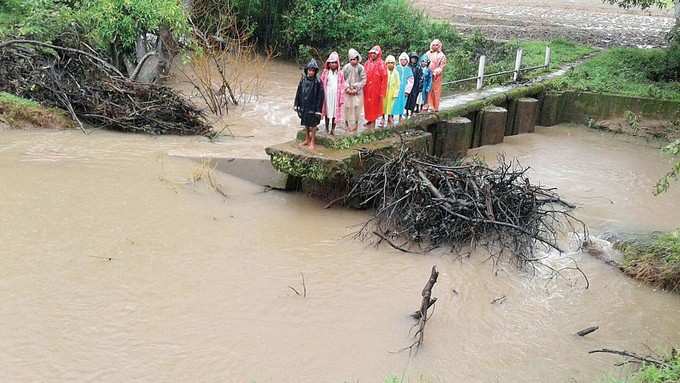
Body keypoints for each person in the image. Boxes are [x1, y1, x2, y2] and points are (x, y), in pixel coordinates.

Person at [294, 59, 324, 151]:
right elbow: (298, 92)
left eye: (313, 70)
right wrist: (296, 104)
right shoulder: (303, 80)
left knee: (313, 124)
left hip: (313, 106)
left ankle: (313, 141)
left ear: (315, 71)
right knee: (306, 123)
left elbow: (321, 96)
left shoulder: (318, 82)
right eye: (309, 70)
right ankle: (307, 139)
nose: (311, 72)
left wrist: (318, 110)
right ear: (307, 70)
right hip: (304, 105)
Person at [320, 51, 345, 136]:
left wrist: (341, 98)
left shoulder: (340, 73)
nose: (333, 64)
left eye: (335, 62)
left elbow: (342, 86)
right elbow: (321, 83)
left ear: (337, 63)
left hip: (336, 95)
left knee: (335, 113)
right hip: (327, 95)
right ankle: (327, 128)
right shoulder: (325, 72)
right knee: (327, 112)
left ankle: (333, 129)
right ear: (328, 63)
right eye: (331, 63)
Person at [363, 45, 387, 130]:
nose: (373, 55)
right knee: (367, 106)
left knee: (374, 106)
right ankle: (369, 120)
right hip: (367, 89)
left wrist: (382, 92)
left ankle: (373, 123)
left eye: (375, 53)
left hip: (376, 89)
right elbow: (363, 76)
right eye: (372, 53)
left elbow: (384, 79)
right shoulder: (367, 63)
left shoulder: (381, 64)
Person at [342, 48, 366, 133]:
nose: (353, 61)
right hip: (347, 92)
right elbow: (342, 79)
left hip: (357, 92)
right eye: (351, 59)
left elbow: (364, 80)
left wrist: (356, 88)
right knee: (346, 108)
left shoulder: (361, 68)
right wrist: (347, 88)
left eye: (354, 59)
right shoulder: (346, 67)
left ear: (357, 59)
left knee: (357, 108)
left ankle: (355, 125)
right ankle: (347, 124)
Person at [426, 39, 447, 112]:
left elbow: (442, 66)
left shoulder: (442, 55)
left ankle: (435, 106)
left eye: (436, 45)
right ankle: (429, 105)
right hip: (428, 75)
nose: (435, 46)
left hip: (437, 76)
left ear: (439, 45)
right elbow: (424, 62)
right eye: (433, 45)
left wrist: (435, 72)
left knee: (436, 91)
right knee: (428, 90)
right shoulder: (428, 53)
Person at [392, 52, 414, 123]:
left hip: (404, 90)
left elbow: (411, 80)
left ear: (407, 61)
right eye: (402, 59)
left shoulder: (409, 69)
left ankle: (400, 116)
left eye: (405, 59)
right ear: (399, 60)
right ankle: (391, 116)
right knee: (394, 103)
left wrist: (407, 91)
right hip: (396, 89)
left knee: (402, 103)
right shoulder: (396, 68)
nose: (403, 61)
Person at [382, 55, 400, 128]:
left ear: (394, 64)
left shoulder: (396, 72)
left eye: (392, 63)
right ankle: (383, 118)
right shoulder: (384, 72)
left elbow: (398, 84)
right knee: (383, 105)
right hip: (384, 92)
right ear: (386, 63)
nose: (390, 64)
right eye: (388, 62)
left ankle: (390, 117)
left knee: (391, 106)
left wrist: (396, 93)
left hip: (392, 92)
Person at [405, 52, 422, 116]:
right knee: (407, 99)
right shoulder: (408, 66)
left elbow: (421, 77)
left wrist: (420, 86)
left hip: (415, 86)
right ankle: (406, 111)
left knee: (413, 99)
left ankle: (411, 112)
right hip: (408, 86)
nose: (413, 60)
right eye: (412, 58)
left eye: (415, 59)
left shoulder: (418, 67)